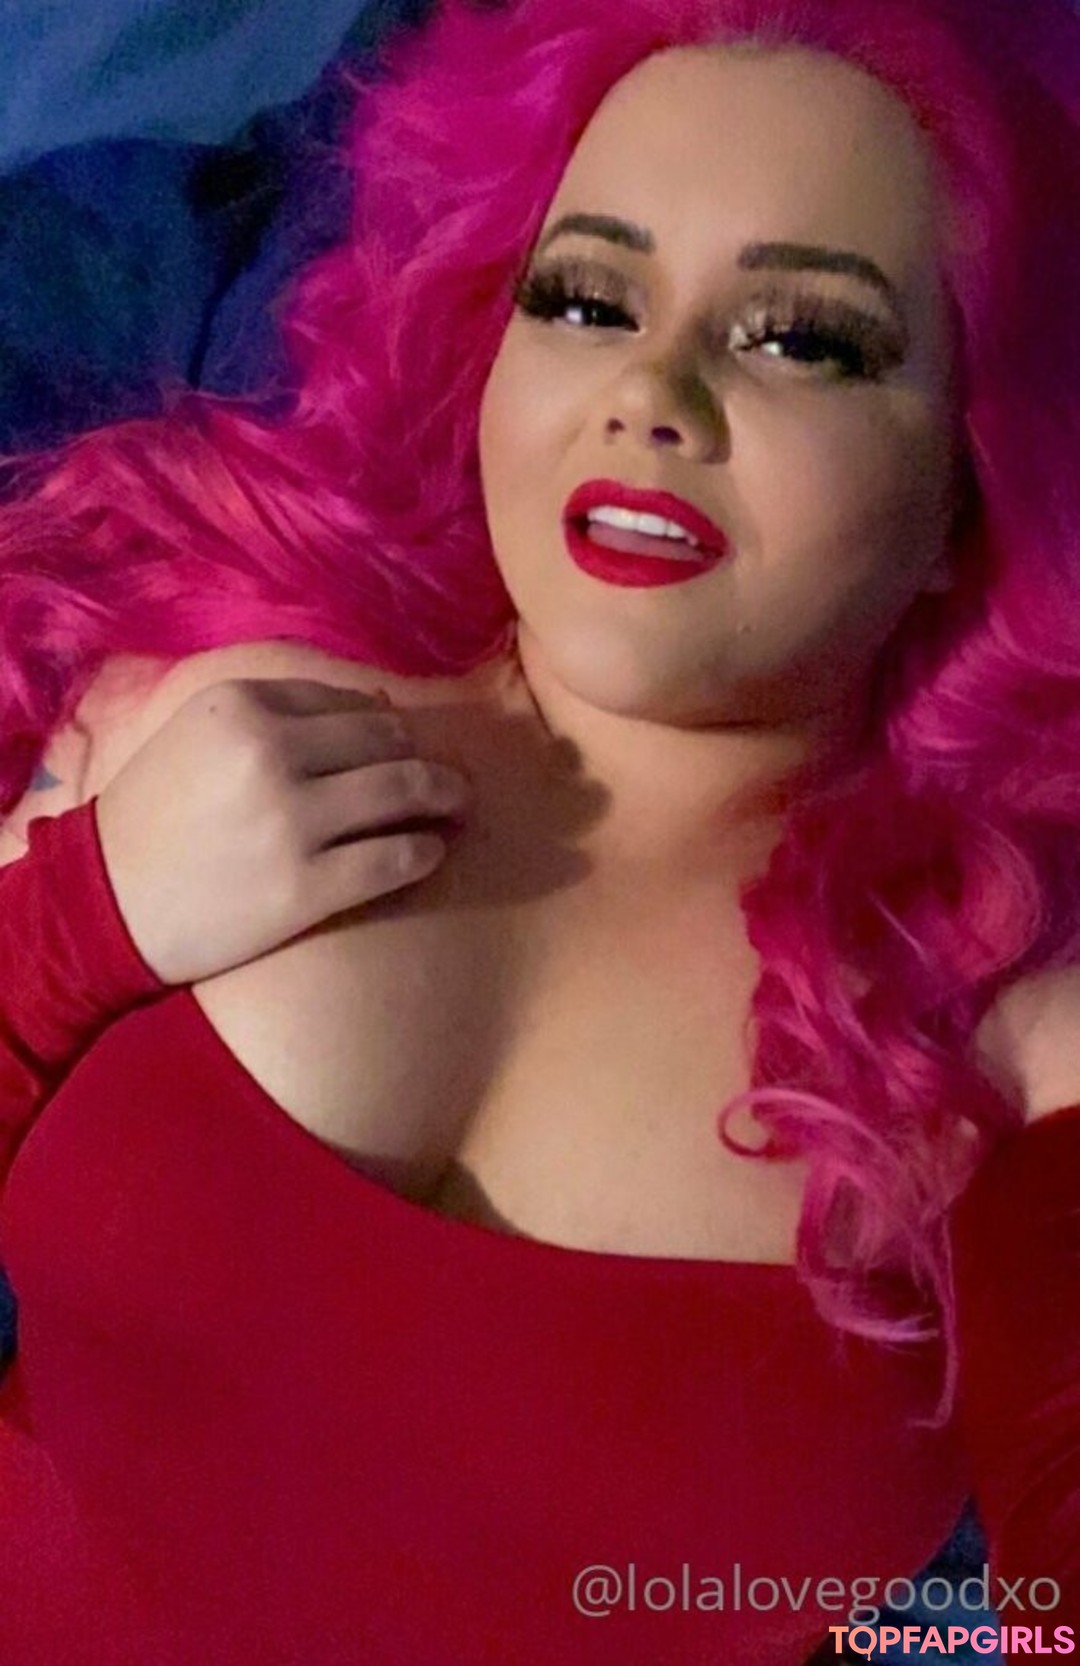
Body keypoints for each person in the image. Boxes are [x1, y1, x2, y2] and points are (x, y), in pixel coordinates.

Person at [0, 0, 1077, 1660]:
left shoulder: (1013, 1029)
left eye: (804, 338)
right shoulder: (207, 702)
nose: (654, 389)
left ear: (974, 479)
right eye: (585, 299)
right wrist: (83, 913)